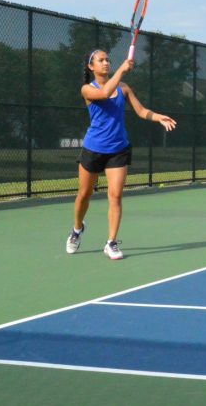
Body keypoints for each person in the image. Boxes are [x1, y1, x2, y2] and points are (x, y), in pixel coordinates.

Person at [66, 49, 177, 260]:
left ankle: (111, 242)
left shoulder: (124, 88)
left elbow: (141, 110)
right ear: (91, 66)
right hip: (93, 149)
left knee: (115, 196)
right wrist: (122, 71)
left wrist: (158, 117)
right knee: (84, 195)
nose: (106, 63)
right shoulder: (87, 89)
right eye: (101, 60)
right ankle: (77, 229)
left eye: (108, 59)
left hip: (118, 149)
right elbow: (105, 93)